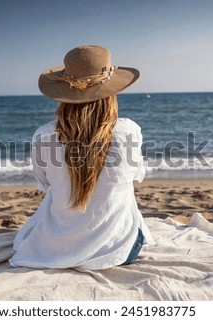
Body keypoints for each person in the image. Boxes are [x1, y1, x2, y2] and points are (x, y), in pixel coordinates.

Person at [9, 45, 154, 270]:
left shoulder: (44, 135)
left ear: (63, 95)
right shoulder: (128, 131)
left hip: (54, 249)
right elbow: (136, 176)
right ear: (111, 93)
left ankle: (73, 239)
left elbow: (44, 182)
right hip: (118, 251)